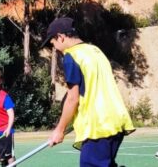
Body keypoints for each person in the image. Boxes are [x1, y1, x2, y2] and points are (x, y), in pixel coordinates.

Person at [44, 17, 135, 167]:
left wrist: (59, 130)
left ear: (60, 37)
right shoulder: (94, 50)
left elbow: (73, 98)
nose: (55, 48)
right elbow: (91, 86)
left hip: (98, 127)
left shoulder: (71, 56)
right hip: (116, 120)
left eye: (53, 43)